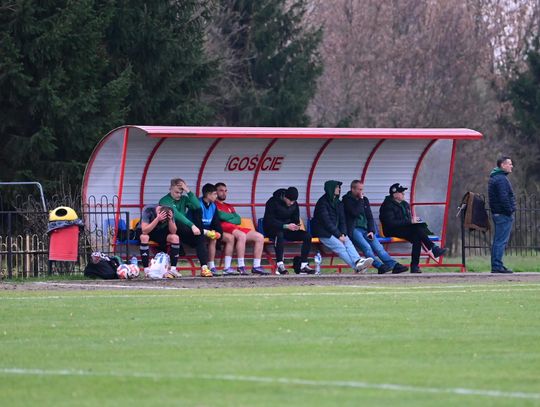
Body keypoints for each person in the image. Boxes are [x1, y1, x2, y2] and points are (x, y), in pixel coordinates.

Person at [379, 183, 447, 273]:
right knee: (416, 229)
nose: (403, 194)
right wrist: (410, 222)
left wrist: (413, 221)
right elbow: (390, 223)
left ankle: (415, 266)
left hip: (404, 229)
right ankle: (433, 247)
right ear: (394, 194)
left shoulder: (405, 204)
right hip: (391, 230)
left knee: (417, 237)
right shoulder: (387, 205)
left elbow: (408, 220)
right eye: (401, 192)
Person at [343, 180, 408, 274]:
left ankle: (393, 265)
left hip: (366, 229)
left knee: (378, 247)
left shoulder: (365, 200)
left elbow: (369, 216)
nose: (361, 192)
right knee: (367, 247)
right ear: (353, 189)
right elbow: (355, 212)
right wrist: (361, 200)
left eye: (362, 189)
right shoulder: (346, 199)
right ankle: (380, 266)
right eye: (359, 189)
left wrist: (371, 230)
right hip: (354, 229)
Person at [311, 180, 373, 273]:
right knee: (340, 247)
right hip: (323, 232)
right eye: (337, 187)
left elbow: (342, 220)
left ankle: (358, 261)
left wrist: (343, 233)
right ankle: (357, 268)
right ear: (330, 189)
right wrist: (338, 235)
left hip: (336, 232)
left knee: (348, 241)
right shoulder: (322, 203)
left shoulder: (338, 203)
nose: (339, 189)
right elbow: (327, 222)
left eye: (339, 187)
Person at [159, 178, 212, 277]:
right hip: (167, 229)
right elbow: (176, 214)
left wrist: (188, 191)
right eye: (176, 192)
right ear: (170, 188)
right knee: (179, 223)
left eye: (181, 192)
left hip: (183, 229)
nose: (179, 195)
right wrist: (192, 226)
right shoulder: (164, 200)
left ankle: (204, 267)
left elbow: (197, 206)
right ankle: (203, 231)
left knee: (200, 237)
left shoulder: (184, 198)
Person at [215, 182, 268, 275]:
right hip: (223, 227)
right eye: (221, 191)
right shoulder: (214, 204)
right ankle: (241, 266)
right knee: (242, 235)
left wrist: (228, 218)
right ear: (215, 192)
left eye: (225, 191)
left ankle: (256, 266)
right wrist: (231, 217)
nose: (224, 193)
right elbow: (220, 216)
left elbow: (238, 220)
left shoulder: (229, 206)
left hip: (235, 227)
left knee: (259, 237)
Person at [263, 186, 314, 274]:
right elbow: (269, 221)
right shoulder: (272, 202)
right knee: (279, 234)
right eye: (290, 200)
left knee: (307, 236)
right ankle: (280, 265)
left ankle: (304, 264)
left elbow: (296, 219)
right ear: (285, 197)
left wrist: (296, 226)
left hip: (288, 230)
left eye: (294, 201)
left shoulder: (294, 204)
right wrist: (285, 226)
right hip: (273, 229)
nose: (291, 203)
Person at [488, 156, 515, 273]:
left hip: (498, 213)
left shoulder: (495, 177)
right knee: (501, 241)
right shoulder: (501, 179)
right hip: (503, 214)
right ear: (503, 165)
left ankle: (496, 265)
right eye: (509, 164)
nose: (511, 166)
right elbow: (504, 197)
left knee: (498, 240)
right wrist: (510, 210)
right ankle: (497, 265)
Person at [138, 204, 181, 275]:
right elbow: (144, 231)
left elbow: (173, 231)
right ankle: (146, 269)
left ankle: (173, 269)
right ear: (158, 212)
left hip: (159, 231)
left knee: (175, 237)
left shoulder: (169, 211)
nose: (163, 222)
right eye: (163, 220)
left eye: (165, 220)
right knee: (144, 237)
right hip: (146, 229)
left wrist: (170, 220)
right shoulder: (148, 210)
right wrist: (157, 219)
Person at [194, 183, 223, 276]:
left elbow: (216, 222)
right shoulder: (198, 204)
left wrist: (219, 233)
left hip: (206, 231)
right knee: (202, 238)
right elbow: (196, 224)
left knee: (214, 237)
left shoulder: (213, 205)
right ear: (208, 194)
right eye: (214, 194)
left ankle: (212, 266)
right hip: (194, 231)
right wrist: (207, 232)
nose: (216, 196)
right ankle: (205, 267)